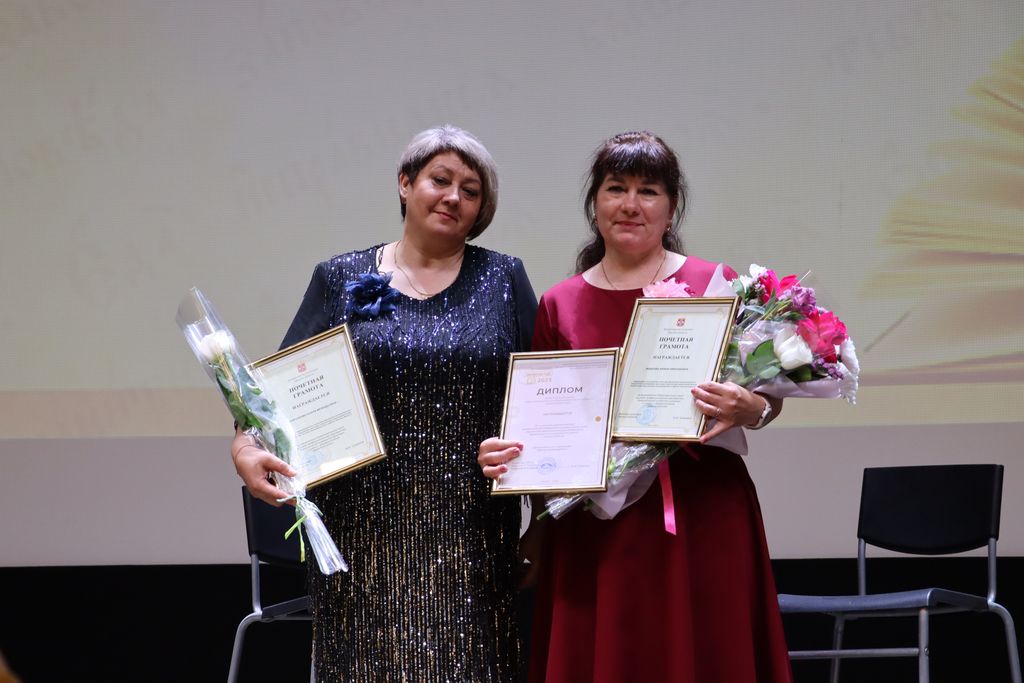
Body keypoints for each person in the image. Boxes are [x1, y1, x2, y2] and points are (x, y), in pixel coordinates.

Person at [479, 131, 793, 682]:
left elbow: (766, 401)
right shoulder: (559, 303)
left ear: (671, 207)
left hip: (702, 511)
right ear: (594, 203)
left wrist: (753, 407)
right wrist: (519, 467)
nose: (630, 204)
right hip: (597, 524)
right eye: (615, 188)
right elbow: (543, 420)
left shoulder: (715, 284)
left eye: (648, 191)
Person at [231, 125, 537, 681]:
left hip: (471, 529)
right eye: (440, 180)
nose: (453, 197)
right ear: (404, 183)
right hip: (360, 530)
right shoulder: (340, 277)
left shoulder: (503, 277)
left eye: (471, 191)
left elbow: (540, 398)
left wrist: (542, 514)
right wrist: (246, 445)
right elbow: (273, 394)